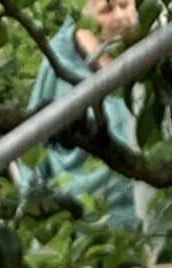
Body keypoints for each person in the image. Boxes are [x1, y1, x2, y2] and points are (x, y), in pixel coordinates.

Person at [17, 0, 141, 229]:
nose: (120, 17)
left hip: (145, 209)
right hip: (82, 218)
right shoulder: (61, 61)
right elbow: (32, 142)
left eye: (125, 5)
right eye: (107, 10)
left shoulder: (152, 43)